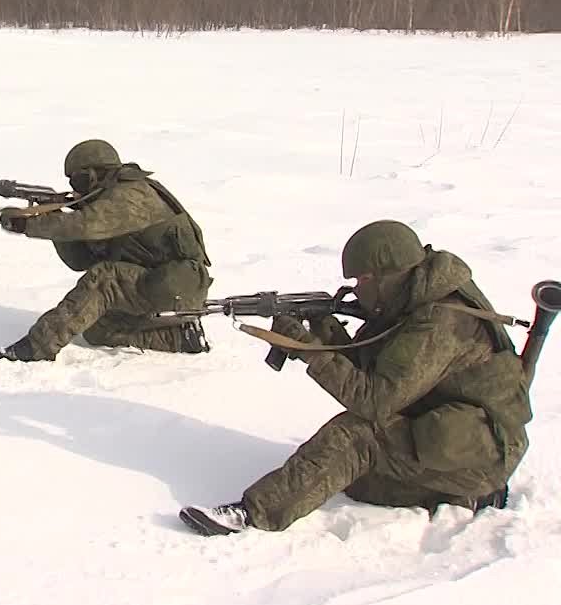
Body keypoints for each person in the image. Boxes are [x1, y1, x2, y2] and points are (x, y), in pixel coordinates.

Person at [180, 220, 531, 536]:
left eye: (363, 280)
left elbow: (375, 400)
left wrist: (306, 349)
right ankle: (464, 494)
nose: (357, 288)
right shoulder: (417, 296)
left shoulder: (439, 321)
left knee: (355, 437)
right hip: (450, 432)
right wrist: (326, 332)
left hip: (478, 448)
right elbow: (381, 368)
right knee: (354, 482)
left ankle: (253, 513)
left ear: (389, 275)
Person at [0, 140, 212, 361]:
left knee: (105, 279)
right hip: (157, 283)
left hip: (176, 284)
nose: (77, 189)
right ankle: (180, 337)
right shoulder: (108, 200)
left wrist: (29, 224)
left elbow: (85, 224)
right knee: (98, 331)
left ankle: (37, 347)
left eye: (79, 181)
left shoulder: (132, 194)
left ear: (95, 174)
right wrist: (48, 217)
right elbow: (80, 261)